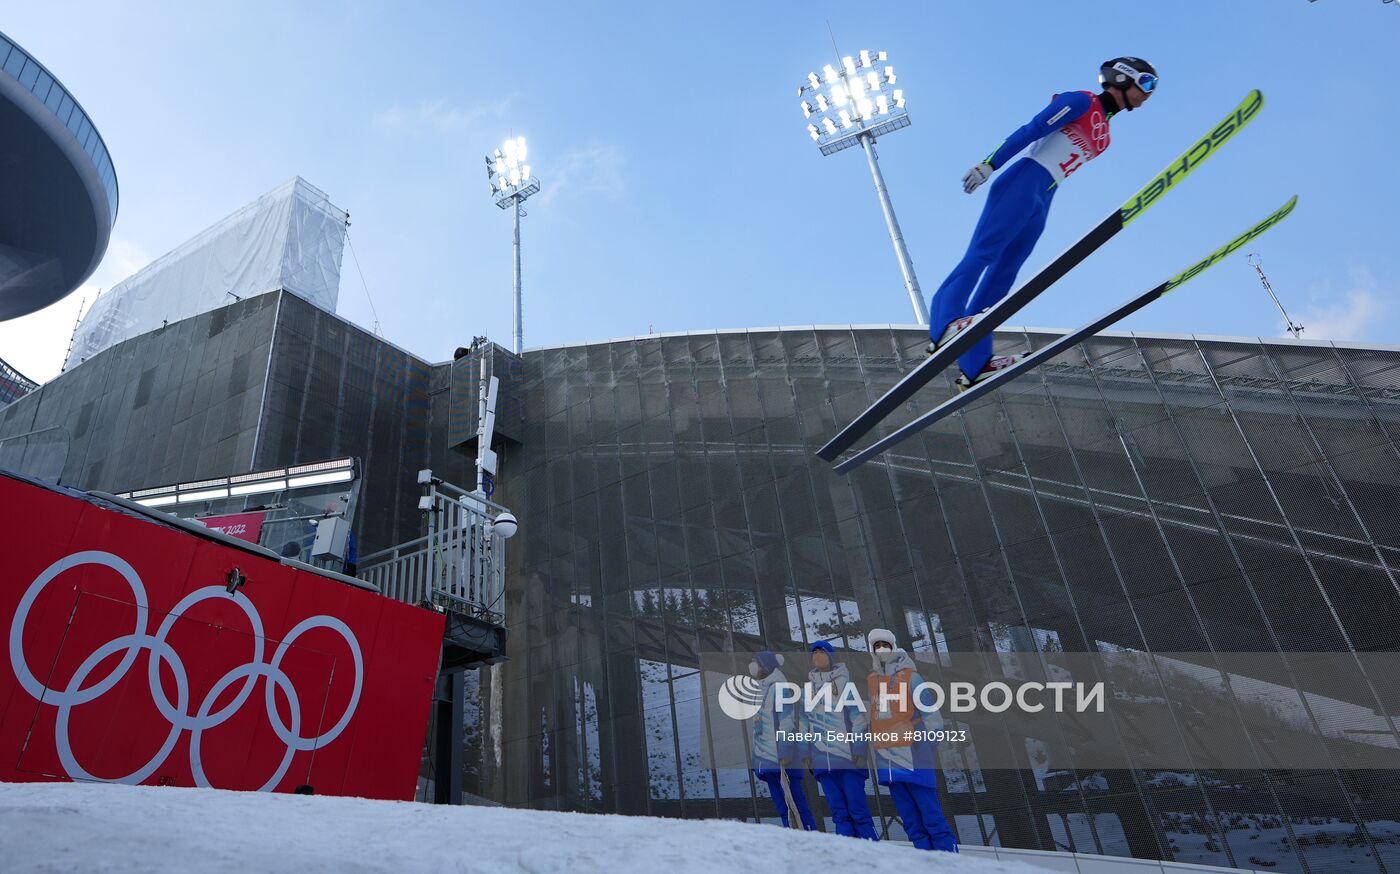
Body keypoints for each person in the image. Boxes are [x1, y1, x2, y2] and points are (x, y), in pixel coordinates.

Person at [926, 57, 1158, 390]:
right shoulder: (1081, 101)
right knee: (982, 255)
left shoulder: (1105, 135)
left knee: (1003, 277)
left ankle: (976, 363)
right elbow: (1032, 130)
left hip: (1045, 197)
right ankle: (944, 325)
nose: (1148, 94)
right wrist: (989, 165)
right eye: (1147, 84)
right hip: (1023, 181)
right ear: (1122, 77)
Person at [865, 628, 957, 852]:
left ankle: (951, 864)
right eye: (876, 646)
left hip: (915, 757)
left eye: (884, 645)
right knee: (911, 822)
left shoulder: (911, 677)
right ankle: (925, 864)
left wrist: (924, 746)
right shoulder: (872, 681)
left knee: (931, 817)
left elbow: (933, 717)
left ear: (893, 646)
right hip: (888, 760)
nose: (881, 650)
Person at [804, 640, 878, 840]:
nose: (818, 655)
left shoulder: (845, 684)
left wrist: (860, 751)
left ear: (831, 656)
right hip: (822, 761)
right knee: (839, 814)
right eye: (814, 652)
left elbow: (859, 720)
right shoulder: (808, 690)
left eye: (822, 652)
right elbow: (805, 724)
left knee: (858, 811)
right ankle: (848, 858)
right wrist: (806, 753)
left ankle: (872, 856)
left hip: (848, 759)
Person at [748, 650, 817, 830]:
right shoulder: (760, 692)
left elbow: (787, 722)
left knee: (795, 803)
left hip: (782, 760)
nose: (752, 666)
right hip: (768, 760)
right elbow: (758, 731)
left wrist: (785, 752)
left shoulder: (780, 688)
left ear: (765, 666)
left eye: (755, 662)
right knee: (782, 806)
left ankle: (810, 835)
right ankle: (793, 836)